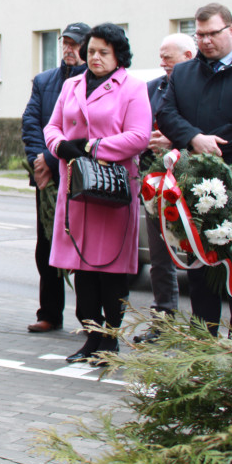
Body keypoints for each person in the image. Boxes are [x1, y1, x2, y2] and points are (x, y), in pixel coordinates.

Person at [44, 23, 151, 364]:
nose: (95, 57)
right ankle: (91, 338)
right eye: (91, 51)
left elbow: (138, 136)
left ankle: (110, 340)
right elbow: (53, 125)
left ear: (118, 55)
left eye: (104, 52)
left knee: (111, 273)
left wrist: (92, 146)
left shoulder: (132, 87)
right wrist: (60, 146)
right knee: (83, 270)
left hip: (111, 192)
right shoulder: (72, 84)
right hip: (76, 189)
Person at [157, 3, 232, 335]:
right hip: (194, 188)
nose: (205, 41)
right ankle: (202, 344)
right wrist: (193, 137)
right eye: (199, 34)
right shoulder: (185, 72)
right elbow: (166, 113)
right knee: (201, 273)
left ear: (231, 31)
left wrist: (211, 143)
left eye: (212, 33)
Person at [21, 22, 90, 333]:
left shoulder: (92, 82)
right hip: (47, 178)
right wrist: (39, 160)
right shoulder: (45, 80)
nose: (68, 49)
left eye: (75, 44)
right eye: (65, 43)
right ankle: (50, 313)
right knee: (46, 245)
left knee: (81, 247)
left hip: (79, 176)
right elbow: (32, 120)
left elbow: (79, 130)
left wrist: (49, 158)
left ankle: (90, 320)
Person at [133, 33, 196, 343]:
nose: (162, 62)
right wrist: (147, 141)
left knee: (198, 257)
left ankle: (202, 327)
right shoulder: (152, 88)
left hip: (192, 185)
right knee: (159, 256)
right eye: (160, 56)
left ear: (187, 56)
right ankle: (163, 321)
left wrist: (175, 142)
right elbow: (136, 126)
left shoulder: (200, 86)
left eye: (167, 57)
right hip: (155, 184)